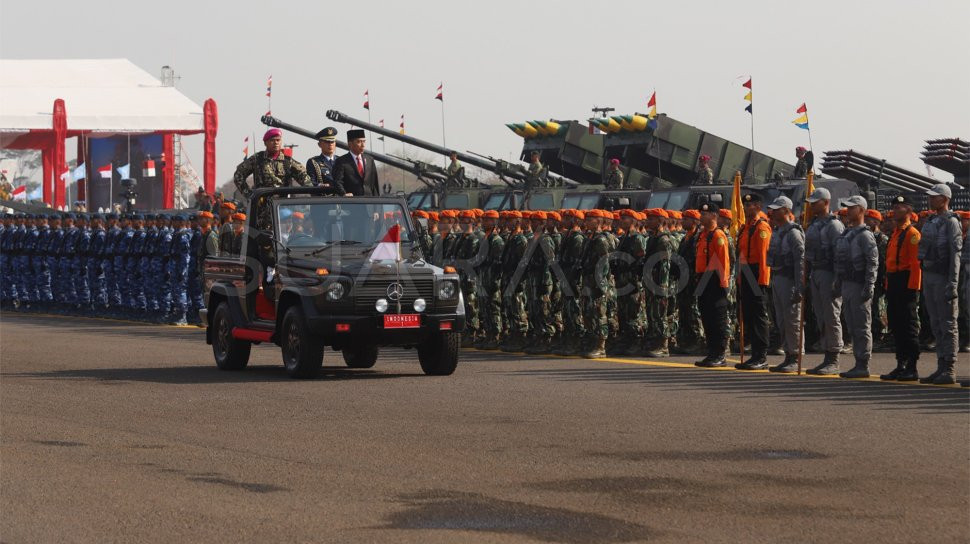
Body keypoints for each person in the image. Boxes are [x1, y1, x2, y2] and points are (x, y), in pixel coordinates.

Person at [917, 183, 963, 385]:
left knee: (948, 324)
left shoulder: (951, 222)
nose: (930, 199)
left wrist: (953, 283)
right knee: (936, 323)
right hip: (929, 275)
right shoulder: (930, 220)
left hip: (944, 277)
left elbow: (955, 255)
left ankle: (950, 368)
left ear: (945, 199)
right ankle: (940, 365)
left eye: (935, 197)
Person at [833, 195, 879, 378]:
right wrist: (838, 282)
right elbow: (840, 261)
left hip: (859, 284)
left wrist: (869, 286)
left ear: (860, 210)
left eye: (851, 208)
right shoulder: (847, 233)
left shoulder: (865, 235)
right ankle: (857, 362)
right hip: (847, 284)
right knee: (852, 325)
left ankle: (863, 364)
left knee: (861, 326)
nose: (848, 211)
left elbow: (873, 262)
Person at [804, 187, 846, 375]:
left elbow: (840, 255)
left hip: (829, 273)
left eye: (815, 202)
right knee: (821, 316)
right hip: (816, 272)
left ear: (826, 202)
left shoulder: (834, 226)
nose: (812, 205)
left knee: (831, 316)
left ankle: (834, 358)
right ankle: (826, 355)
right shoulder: (813, 224)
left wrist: (837, 280)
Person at [881, 195, 922, 381]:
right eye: (894, 207)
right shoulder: (895, 233)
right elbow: (890, 263)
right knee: (896, 325)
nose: (895, 210)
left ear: (909, 211)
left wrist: (913, 288)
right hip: (894, 282)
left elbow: (915, 264)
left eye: (900, 207)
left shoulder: (912, 234)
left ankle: (912, 366)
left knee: (908, 325)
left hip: (906, 284)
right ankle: (901, 364)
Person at [233, 128, 309, 229]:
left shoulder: (288, 162)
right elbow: (239, 175)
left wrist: (315, 189)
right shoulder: (257, 159)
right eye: (272, 140)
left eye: (278, 140)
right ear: (265, 143)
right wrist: (250, 195)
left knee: (283, 238)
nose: (276, 143)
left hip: (283, 209)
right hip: (262, 210)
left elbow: (305, 178)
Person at [765, 196, 805, 373]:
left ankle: (795, 356)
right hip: (778, 278)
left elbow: (800, 261)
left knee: (792, 320)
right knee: (781, 320)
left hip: (789, 280)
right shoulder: (777, 231)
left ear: (787, 211)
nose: (773, 212)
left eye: (777, 209)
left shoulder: (793, 233)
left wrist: (800, 286)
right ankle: (788, 354)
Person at [735, 193, 772, 370]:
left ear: (758, 206)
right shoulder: (744, 228)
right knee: (748, 315)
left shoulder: (761, 227)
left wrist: (763, 280)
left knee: (758, 316)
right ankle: (754, 355)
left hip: (757, 273)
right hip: (746, 273)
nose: (746, 208)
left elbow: (764, 256)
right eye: (745, 205)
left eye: (750, 205)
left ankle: (761, 356)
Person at [694, 203, 731, 367]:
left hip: (715, 281)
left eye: (705, 214)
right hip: (703, 280)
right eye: (701, 213)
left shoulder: (718, 236)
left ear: (714, 216)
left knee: (718, 319)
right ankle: (712, 352)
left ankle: (720, 354)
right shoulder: (703, 235)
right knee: (707, 317)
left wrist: (723, 285)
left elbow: (723, 262)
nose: (702, 216)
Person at [332, 129, 379, 196]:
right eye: (359, 142)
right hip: (352, 203)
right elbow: (337, 182)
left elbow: (374, 184)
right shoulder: (342, 161)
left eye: (364, 141)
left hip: (369, 202)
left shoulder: (369, 160)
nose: (363, 145)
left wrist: (377, 202)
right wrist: (344, 194)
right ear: (350, 144)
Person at [306, 126, 340, 193]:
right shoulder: (313, 162)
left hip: (341, 199)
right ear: (319, 144)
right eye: (327, 142)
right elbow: (310, 182)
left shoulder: (341, 161)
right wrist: (320, 185)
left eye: (332, 142)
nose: (330, 145)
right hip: (323, 199)